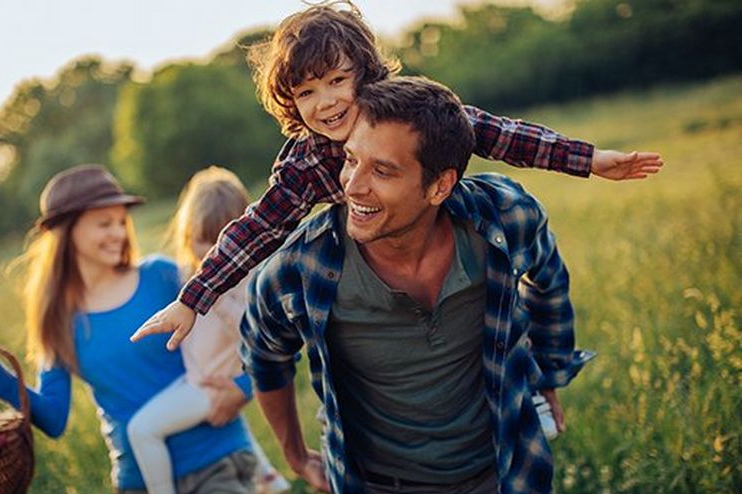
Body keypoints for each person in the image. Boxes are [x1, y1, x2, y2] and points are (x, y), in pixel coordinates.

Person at [131, 0, 663, 350]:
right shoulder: (305, 160)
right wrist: (192, 298)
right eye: (306, 92)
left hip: (441, 221)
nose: (327, 102)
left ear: (364, 72)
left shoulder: (407, 111)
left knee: (490, 274)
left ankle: (524, 370)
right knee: (335, 289)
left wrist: (588, 159)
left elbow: (495, 133)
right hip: (371, 251)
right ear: (290, 102)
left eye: (337, 80)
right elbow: (259, 226)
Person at [239, 76, 596, 494]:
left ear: (439, 186)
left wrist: (550, 371)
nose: (352, 186)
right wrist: (294, 454)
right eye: (351, 160)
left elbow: (548, 279)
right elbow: (263, 354)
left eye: (383, 170)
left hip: (509, 476)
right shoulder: (299, 267)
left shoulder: (505, 219)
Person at [0, 164, 256, 494]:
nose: (119, 234)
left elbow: (257, 336)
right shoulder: (57, 320)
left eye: (122, 222)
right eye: (104, 223)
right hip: (141, 488)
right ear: (67, 233)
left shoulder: (163, 276)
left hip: (218, 461)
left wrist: (243, 388)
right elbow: (52, 417)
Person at [126, 167, 290, 494]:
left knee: (142, 430)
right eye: (203, 244)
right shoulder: (190, 271)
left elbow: (258, 334)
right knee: (229, 420)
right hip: (204, 375)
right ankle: (269, 477)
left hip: (206, 384)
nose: (212, 260)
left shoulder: (245, 284)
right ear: (187, 235)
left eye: (223, 245)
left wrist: (221, 298)